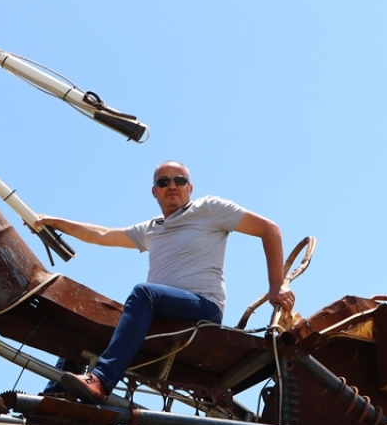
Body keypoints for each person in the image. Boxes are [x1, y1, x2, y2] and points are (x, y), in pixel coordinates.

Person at [37, 160, 295, 403]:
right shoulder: (151, 228)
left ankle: (101, 381)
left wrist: (277, 285)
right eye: (164, 182)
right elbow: (102, 234)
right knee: (89, 323)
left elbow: (269, 229)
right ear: (155, 192)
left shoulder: (208, 209)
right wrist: (56, 223)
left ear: (189, 187)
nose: (172, 185)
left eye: (179, 180)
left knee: (143, 293)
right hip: (159, 312)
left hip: (203, 309)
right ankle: (54, 402)